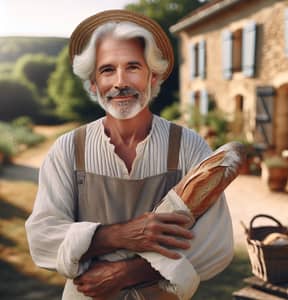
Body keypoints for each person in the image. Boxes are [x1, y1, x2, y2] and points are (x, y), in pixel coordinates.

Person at [25, 9, 234, 300]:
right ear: (93, 83)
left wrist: (127, 272)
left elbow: (215, 245)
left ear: (153, 76)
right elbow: (43, 238)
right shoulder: (67, 149)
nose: (120, 81)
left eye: (133, 67)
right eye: (107, 69)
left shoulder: (188, 145)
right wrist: (120, 235)